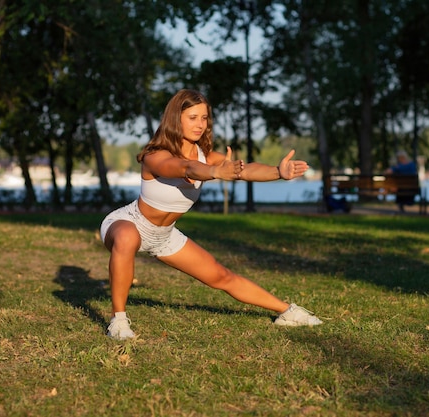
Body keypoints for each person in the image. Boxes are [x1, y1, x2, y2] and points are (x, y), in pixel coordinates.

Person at [100, 89, 322, 340]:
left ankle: (288, 312)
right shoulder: (155, 154)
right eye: (192, 117)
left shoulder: (207, 156)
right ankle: (118, 322)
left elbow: (245, 170)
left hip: (164, 235)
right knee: (128, 238)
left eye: (204, 118)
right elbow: (184, 167)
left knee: (221, 276)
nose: (200, 124)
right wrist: (215, 171)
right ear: (176, 118)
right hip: (129, 222)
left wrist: (277, 172)